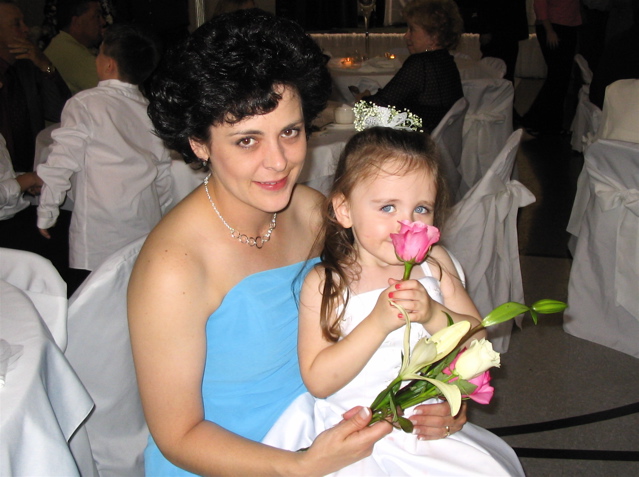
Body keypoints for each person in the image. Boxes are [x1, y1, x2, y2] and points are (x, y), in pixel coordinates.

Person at [128, 9, 468, 476]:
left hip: (331, 423)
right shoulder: (174, 265)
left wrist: (443, 396)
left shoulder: (310, 212)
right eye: (247, 141)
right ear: (199, 143)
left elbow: (392, 303)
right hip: (238, 460)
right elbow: (178, 436)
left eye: (290, 132)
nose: (278, 162)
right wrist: (301, 466)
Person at [262, 126, 525, 476]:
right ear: (344, 209)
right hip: (349, 430)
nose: (406, 223)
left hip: (421, 428)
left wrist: (433, 314)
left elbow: (478, 341)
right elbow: (319, 381)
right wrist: (377, 323)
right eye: (387, 207)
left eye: (422, 208)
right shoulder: (327, 283)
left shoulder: (435, 264)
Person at [36, 23, 172, 290]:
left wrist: (47, 211)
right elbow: (163, 175)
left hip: (99, 228)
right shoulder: (151, 112)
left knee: (95, 295)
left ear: (109, 64)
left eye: (98, 53)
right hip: (144, 223)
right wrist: (163, 216)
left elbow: (61, 161)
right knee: (133, 291)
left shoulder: (85, 103)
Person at [359, 0, 464, 133]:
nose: (406, 36)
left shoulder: (421, 64)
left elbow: (375, 107)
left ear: (434, 36)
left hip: (416, 141)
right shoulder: (446, 61)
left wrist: (362, 99)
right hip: (435, 140)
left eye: (412, 30)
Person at [0, 0, 71, 173]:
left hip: (31, 170)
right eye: (17, 24)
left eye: (24, 22)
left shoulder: (27, 66)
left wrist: (45, 66)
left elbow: (59, 112)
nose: (26, 29)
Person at [522, 0, 582, 136]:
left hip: (568, 25)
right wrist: (549, 30)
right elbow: (540, 4)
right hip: (553, 27)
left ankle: (552, 124)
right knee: (557, 77)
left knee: (561, 79)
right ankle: (535, 120)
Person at [44, 0, 106, 95]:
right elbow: (113, 91)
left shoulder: (61, 44)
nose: (103, 22)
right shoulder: (71, 53)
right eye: (97, 16)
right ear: (77, 22)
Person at [476, 0, 529, 84]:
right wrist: (485, 29)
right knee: (491, 68)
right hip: (496, 28)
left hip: (510, 27)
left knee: (507, 69)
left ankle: (506, 90)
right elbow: (483, 5)